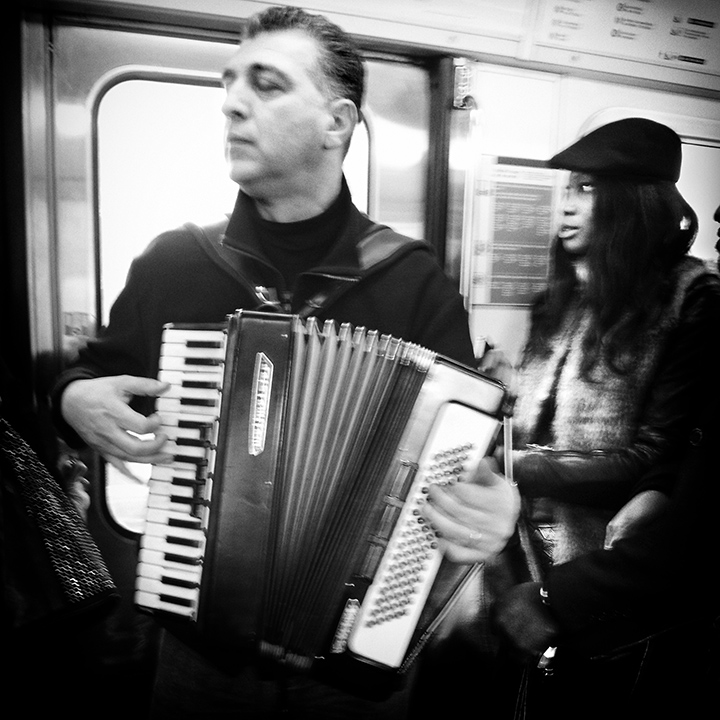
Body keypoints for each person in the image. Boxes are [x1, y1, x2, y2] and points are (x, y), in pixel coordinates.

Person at [50, 6, 519, 718]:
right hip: (197, 656)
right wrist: (70, 399)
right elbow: (90, 374)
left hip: (350, 676)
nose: (232, 102)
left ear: (336, 123)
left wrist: (496, 509)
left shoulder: (411, 279)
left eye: (266, 85)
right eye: (230, 83)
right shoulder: (174, 263)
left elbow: (469, 463)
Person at [490, 123, 720, 717]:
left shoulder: (692, 298)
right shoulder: (560, 300)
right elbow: (539, 423)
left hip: (606, 579)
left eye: (586, 188)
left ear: (631, 204)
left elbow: (653, 461)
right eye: (568, 186)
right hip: (526, 551)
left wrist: (516, 468)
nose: (565, 202)